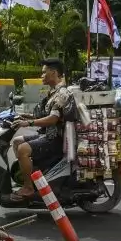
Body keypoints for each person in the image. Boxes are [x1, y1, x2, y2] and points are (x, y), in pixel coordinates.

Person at [9, 58, 76, 203]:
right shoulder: (53, 91)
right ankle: (32, 177)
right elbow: (46, 115)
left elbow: (52, 119)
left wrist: (29, 122)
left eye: (44, 73)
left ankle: (29, 188)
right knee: (16, 142)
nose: (42, 76)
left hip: (55, 139)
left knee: (23, 150)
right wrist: (27, 116)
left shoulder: (62, 93)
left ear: (54, 73)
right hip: (48, 135)